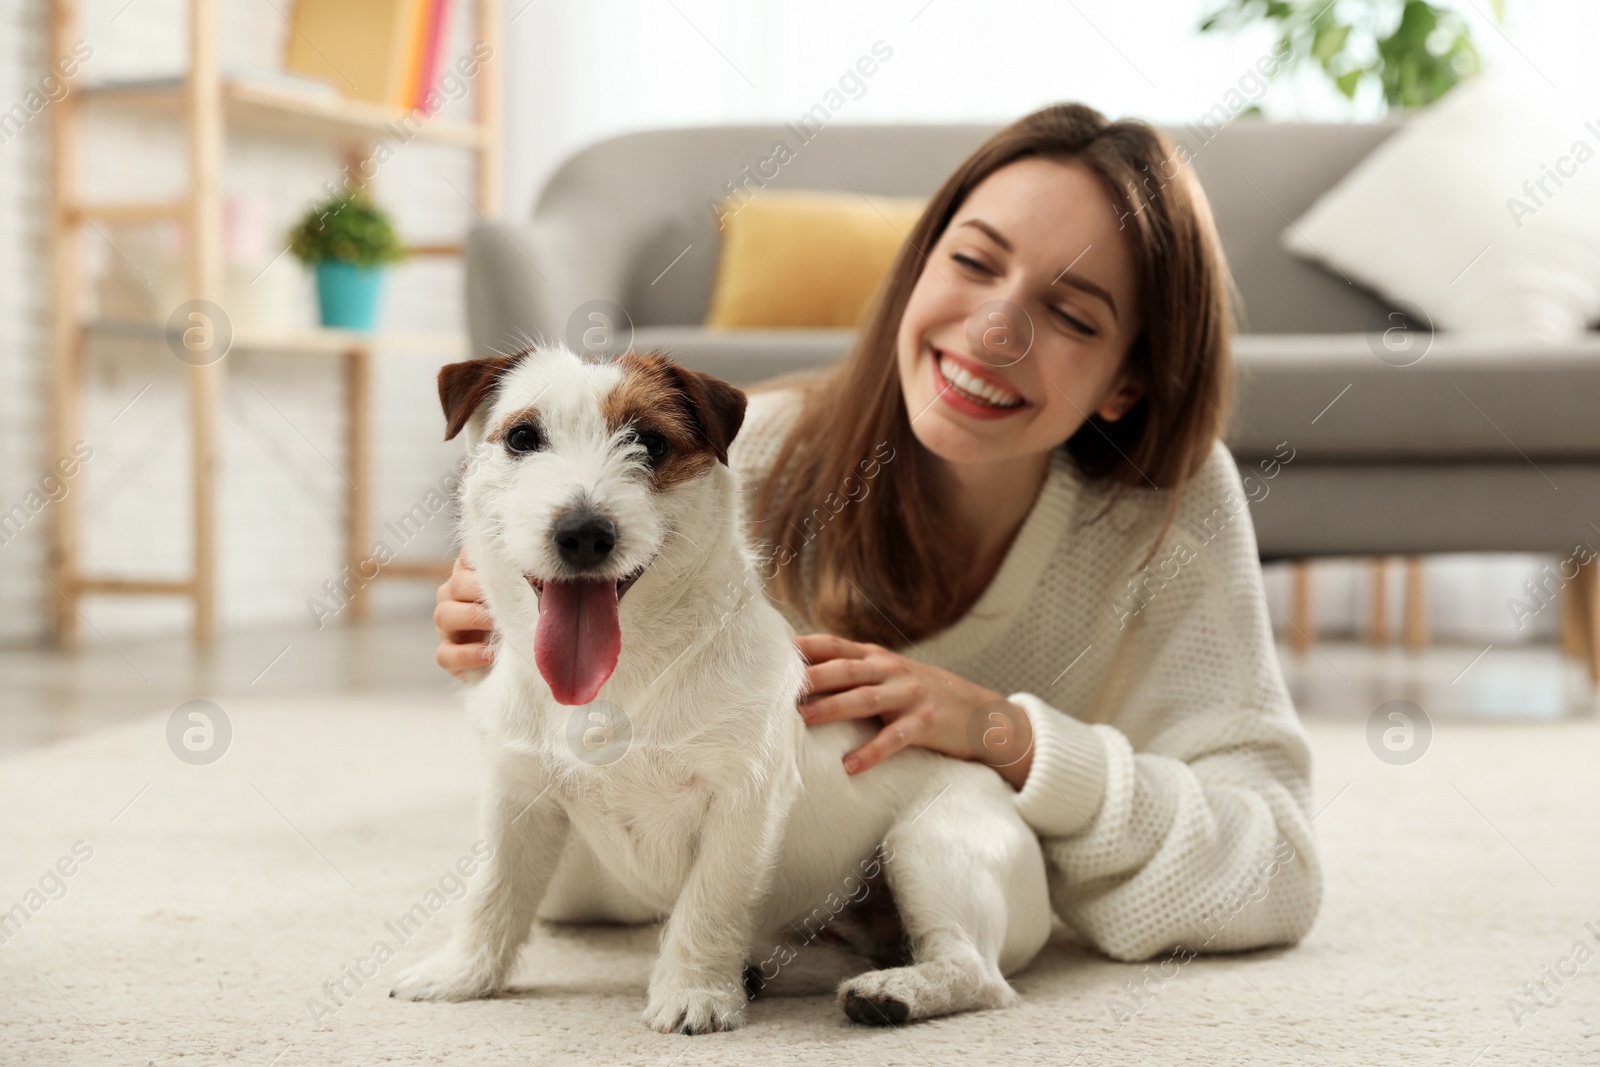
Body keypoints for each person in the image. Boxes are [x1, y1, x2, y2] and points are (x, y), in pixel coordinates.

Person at [433, 102, 1320, 964]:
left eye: (1074, 314)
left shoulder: (1171, 506)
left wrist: (1009, 738)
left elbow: (1276, 867)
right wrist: (520, 649)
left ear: (1127, 383)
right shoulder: (730, 464)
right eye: (974, 261)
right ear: (914, 267)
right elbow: (583, 887)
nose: (996, 328)